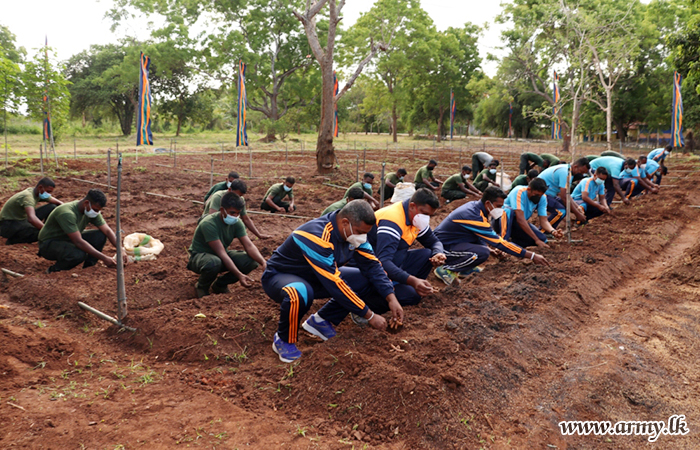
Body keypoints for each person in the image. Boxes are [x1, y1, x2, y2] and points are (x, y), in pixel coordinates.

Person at [261, 200, 403, 363]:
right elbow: (335, 283)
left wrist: (391, 297)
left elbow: (372, 265)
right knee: (299, 292)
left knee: (364, 279)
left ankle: (321, 321)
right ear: (345, 223)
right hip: (281, 276)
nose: (363, 237)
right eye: (359, 232)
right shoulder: (317, 236)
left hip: (317, 276)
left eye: (365, 233)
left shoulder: (354, 234)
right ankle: (284, 339)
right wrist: (369, 315)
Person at [433, 186, 549, 285]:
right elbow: (500, 243)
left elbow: (478, 235)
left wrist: (491, 250)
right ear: (488, 203)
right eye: (498, 205)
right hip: (443, 248)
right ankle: (446, 270)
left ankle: (466, 269)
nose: (500, 209)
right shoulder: (473, 215)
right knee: (481, 253)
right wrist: (532, 256)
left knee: (484, 249)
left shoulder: (477, 208)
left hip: (455, 242)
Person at [366, 188, 445, 313]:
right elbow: (383, 262)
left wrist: (438, 253)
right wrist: (412, 280)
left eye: (429, 215)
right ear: (412, 206)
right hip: (372, 271)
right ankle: (368, 305)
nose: (426, 218)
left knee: (427, 254)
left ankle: (408, 286)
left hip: (394, 262)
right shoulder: (392, 220)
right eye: (424, 213)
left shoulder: (415, 218)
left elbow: (434, 242)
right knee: (412, 296)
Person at [188, 192, 266, 298]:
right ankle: (202, 287)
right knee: (214, 262)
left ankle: (220, 285)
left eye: (238, 213)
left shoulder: (237, 223)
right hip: (199, 257)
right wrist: (239, 275)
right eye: (232, 212)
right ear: (222, 210)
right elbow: (222, 253)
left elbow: (249, 245)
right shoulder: (209, 224)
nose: (235, 216)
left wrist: (263, 262)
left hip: (219, 256)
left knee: (250, 261)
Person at [37, 189, 120, 273]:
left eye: (98, 210)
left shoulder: (90, 210)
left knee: (100, 235)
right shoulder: (67, 213)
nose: (96, 213)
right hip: (48, 244)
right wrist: (104, 258)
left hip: (68, 238)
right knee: (78, 254)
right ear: (86, 203)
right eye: (95, 210)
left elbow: (107, 231)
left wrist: (120, 249)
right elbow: (78, 241)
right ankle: (54, 270)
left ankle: (89, 268)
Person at [499, 178, 563, 249]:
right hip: (502, 222)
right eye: (536, 194)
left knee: (542, 239)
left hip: (517, 225)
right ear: (529, 189)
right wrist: (536, 240)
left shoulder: (542, 198)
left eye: (540, 195)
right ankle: (503, 242)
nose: (538, 197)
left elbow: (544, 221)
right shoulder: (519, 192)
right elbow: (520, 219)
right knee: (508, 211)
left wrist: (553, 231)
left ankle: (514, 243)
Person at [1, 177, 63, 245]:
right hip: (8, 224)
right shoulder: (28, 197)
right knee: (39, 233)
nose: (48, 194)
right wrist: (47, 231)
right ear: (40, 187)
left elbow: (58, 203)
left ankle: (44, 232)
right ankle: (14, 240)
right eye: (48, 191)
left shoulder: (36, 192)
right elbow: (31, 219)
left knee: (52, 207)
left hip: (21, 219)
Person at [202, 179, 271, 239]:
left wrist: (259, 235)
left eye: (240, 196)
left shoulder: (240, 199)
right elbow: (211, 217)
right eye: (236, 195)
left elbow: (245, 219)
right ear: (229, 190)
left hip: (224, 219)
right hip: (208, 221)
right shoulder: (218, 197)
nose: (237, 198)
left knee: (242, 226)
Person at [537, 157, 590, 228]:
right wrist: (577, 214)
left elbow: (567, 195)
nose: (580, 174)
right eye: (580, 172)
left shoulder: (568, 172)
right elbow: (564, 197)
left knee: (564, 208)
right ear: (575, 167)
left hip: (549, 193)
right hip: (540, 194)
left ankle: (549, 230)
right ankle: (543, 230)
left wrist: (577, 207)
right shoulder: (565, 173)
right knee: (561, 211)